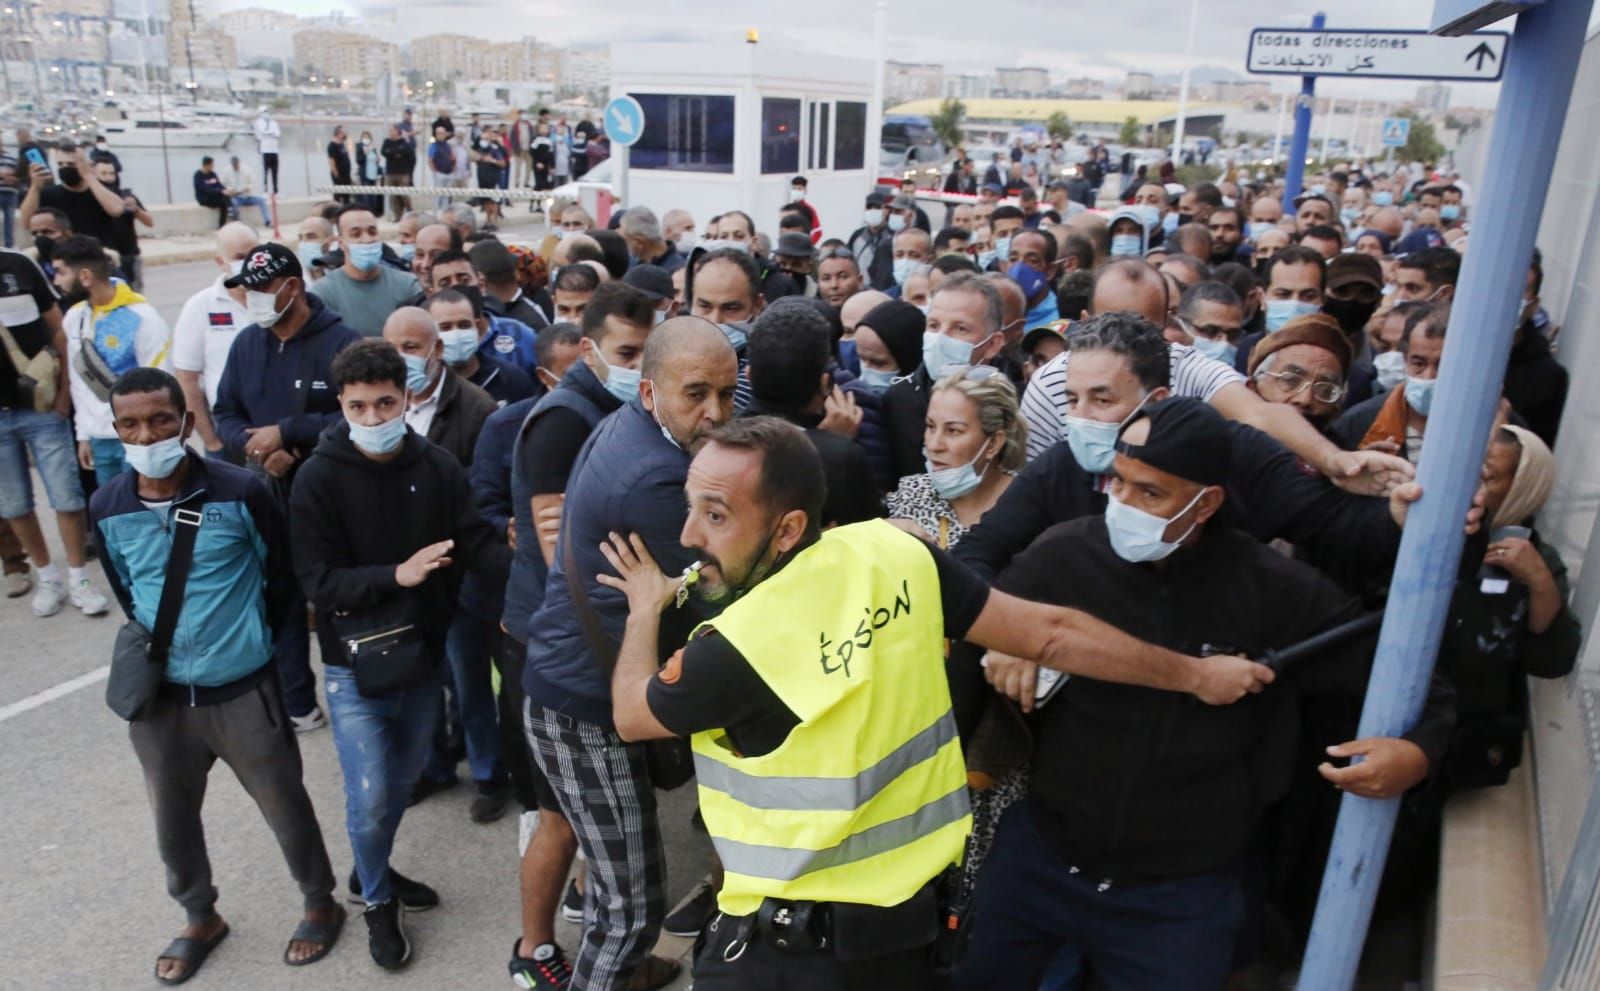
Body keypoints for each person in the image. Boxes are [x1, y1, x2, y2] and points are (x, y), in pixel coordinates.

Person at [592, 414, 1273, 989]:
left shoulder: (733, 648)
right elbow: (1050, 630)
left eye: (715, 515)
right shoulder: (895, 552)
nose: (688, 534)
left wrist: (645, 612)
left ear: (789, 527)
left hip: (787, 957)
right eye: (690, 505)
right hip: (911, 936)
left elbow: (630, 712)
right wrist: (1194, 674)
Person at [951, 397, 1446, 991]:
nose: (1124, 507)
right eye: (1119, 484)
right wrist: (1006, 643)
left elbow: (1405, 674)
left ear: (1207, 502)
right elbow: (981, 624)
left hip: (1179, 898)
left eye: (1151, 493)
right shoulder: (1062, 555)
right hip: (1041, 864)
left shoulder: (1271, 588)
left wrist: (1416, 751)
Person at [91, 368, 342, 986]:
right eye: (129, 424)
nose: (145, 433)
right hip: (162, 701)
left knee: (286, 806)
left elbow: (279, 583)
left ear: (184, 421)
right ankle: (200, 915)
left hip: (243, 689)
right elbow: (128, 592)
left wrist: (265, 664)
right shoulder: (107, 506)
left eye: (158, 420)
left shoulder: (242, 491)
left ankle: (319, 903)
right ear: (116, 429)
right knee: (172, 819)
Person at [520, 317, 739, 991]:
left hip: (573, 681)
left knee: (613, 877)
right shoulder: (656, 475)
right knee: (630, 907)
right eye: (696, 393)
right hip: (584, 706)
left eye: (728, 394)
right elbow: (725, 590)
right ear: (650, 391)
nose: (716, 413)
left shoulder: (637, 427)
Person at [289, 339, 509, 970]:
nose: (374, 418)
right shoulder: (318, 477)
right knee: (371, 792)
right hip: (351, 666)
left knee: (401, 782)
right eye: (359, 406)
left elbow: (473, 542)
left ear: (407, 396)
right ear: (341, 405)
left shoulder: (436, 466)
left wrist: (533, 554)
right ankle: (379, 904)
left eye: (385, 403)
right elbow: (318, 583)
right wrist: (398, 575)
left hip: (420, 659)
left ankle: (370, 872)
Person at [213, 242, 362, 730]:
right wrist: (255, 447)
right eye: (246, 290)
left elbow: (358, 416)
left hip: (329, 496)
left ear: (292, 287)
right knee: (278, 597)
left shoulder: (341, 343)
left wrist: (290, 437)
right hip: (262, 490)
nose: (251, 299)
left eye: (260, 289)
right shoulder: (247, 344)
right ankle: (298, 701)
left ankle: (361, 694)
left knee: (337, 597)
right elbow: (226, 414)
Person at [0, 242, 109, 617]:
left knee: (66, 497)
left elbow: (59, 334)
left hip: (42, 409)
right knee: (14, 504)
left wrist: (64, 396)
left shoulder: (17, 265)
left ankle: (79, 578)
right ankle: (48, 577)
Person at [743, 300, 881, 527]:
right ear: (825, 383)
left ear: (748, 376)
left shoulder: (721, 441)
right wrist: (830, 447)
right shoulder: (841, 458)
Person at [55, 235, 172, 484]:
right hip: (100, 440)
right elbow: (79, 383)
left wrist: (153, 438)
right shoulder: (74, 318)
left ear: (85, 276)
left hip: (140, 439)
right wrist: (84, 434)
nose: (57, 281)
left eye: (60, 272)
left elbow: (161, 380)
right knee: (113, 515)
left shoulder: (143, 317)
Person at [883, 273, 1006, 480]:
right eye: (934, 325)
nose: (940, 338)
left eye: (960, 328)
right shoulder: (898, 400)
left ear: (992, 344)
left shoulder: (1015, 404)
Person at [170, 222, 258, 458]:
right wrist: (211, 442)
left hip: (277, 428)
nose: (249, 262)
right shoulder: (200, 307)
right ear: (221, 262)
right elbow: (187, 380)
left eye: (253, 254)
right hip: (228, 433)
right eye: (240, 256)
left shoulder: (281, 300)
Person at [309, 206, 424, 337]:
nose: (367, 239)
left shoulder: (408, 285)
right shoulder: (322, 293)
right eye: (356, 234)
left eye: (372, 232)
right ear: (341, 243)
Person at [423, 288, 537, 406]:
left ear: (476, 327)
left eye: (464, 325)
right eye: (445, 327)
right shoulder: (422, 385)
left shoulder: (510, 378)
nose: (456, 333)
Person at [1246, 313, 1352, 433]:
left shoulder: (1343, 450)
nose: (1305, 400)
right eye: (1291, 380)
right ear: (1252, 388)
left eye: (1324, 390)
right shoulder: (1225, 443)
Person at [20, 141, 125, 247]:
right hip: (61, 254)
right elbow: (26, 222)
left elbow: (116, 210)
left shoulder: (100, 191)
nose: (65, 168)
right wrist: (35, 187)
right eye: (60, 164)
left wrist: (88, 175)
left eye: (71, 164)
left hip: (96, 253)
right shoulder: (48, 194)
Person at [93, 158, 152, 292]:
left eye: (111, 173)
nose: (108, 178)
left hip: (130, 256)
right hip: (104, 258)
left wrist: (135, 209)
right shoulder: (90, 198)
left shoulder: (126, 195)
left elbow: (149, 222)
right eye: (103, 173)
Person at [848, 192, 896, 290]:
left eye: (877, 207)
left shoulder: (894, 237)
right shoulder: (857, 236)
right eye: (869, 208)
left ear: (886, 210)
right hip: (859, 290)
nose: (873, 211)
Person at [619, 207, 685, 274]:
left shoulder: (678, 274)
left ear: (638, 242)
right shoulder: (633, 268)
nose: (622, 245)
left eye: (624, 240)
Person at [221, 155, 272, 227]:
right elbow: (223, 184)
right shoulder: (226, 171)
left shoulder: (247, 169)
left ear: (239, 163)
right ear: (231, 164)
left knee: (261, 201)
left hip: (248, 196)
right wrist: (230, 189)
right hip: (236, 197)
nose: (236, 167)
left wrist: (248, 188)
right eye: (234, 166)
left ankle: (268, 221)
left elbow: (253, 183)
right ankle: (239, 223)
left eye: (237, 165)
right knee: (233, 203)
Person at [381, 125, 416, 222]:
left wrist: (393, 153)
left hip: (402, 173)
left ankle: (410, 211)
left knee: (403, 194)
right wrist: (396, 153)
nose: (390, 132)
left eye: (392, 130)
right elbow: (384, 152)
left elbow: (407, 153)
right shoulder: (387, 142)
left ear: (397, 131)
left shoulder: (404, 142)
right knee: (393, 196)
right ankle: (397, 215)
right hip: (390, 173)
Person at [192, 156, 229, 228]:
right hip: (204, 198)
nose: (213, 166)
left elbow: (219, 185)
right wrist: (220, 191)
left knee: (228, 198)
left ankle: (231, 219)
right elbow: (205, 189)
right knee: (223, 202)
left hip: (214, 196)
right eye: (212, 165)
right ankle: (222, 225)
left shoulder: (213, 174)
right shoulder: (198, 175)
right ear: (206, 165)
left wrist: (226, 190)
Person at [254, 106, 281, 194]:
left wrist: (270, 133)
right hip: (265, 151)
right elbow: (262, 133)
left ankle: (275, 191)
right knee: (265, 172)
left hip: (274, 150)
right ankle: (265, 191)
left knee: (275, 172)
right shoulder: (258, 122)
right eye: (264, 111)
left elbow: (278, 134)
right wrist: (271, 133)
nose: (266, 113)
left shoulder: (274, 122)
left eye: (267, 111)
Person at [326, 126, 354, 203]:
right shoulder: (332, 146)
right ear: (338, 133)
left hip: (346, 174)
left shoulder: (342, 144)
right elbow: (331, 160)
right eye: (342, 132)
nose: (344, 134)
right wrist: (336, 174)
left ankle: (346, 208)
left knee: (346, 195)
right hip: (339, 175)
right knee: (338, 194)